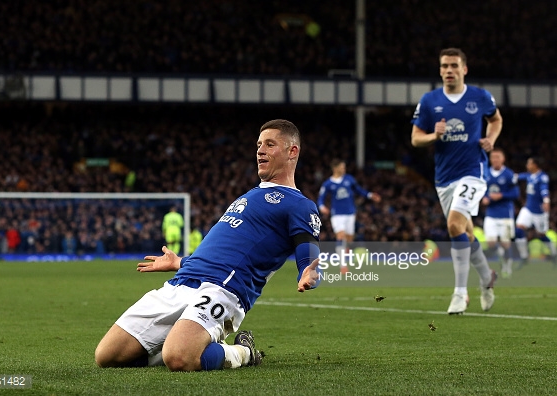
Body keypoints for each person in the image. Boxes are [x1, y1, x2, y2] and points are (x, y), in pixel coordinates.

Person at [95, 119, 322, 371]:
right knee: (107, 356)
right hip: (182, 281)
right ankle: (185, 341)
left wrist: (308, 270)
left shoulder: (299, 204)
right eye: (259, 144)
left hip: (223, 291)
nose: (260, 150)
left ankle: (243, 352)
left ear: (293, 151)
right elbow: (223, 250)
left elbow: (307, 249)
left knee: (179, 359)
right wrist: (180, 262)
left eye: (270, 144)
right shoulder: (248, 195)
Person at [411, 48, 503, 314]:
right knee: (466, 232)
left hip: (473, 171)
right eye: (444, 66)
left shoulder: (480, 96)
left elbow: (496, 119)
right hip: (444, 178)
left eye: (454, 65)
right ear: (440, 70)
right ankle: (487, 278)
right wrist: (433, 136)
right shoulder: (430, 101)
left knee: (453, 225)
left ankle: (460, 294)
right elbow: (415, 138)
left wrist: (491, 139)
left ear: (464, 69)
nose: (449, 70)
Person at [317, 159, 380, 265]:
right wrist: (322, 206)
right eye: (342, 167)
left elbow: (359, 190)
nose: (344, 169)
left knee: (349, 240)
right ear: (335, 168)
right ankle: (343, 265)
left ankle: (345, 252)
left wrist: (370, 195)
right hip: (337, 214)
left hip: (350, 213)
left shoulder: (349, 179)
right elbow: (321, 198)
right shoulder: (328, 183)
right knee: (340, 236)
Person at [480, 148, 519, 278]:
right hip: (491, 213)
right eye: (493, 157)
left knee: (506, 243)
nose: (495, 160)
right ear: (490, 159)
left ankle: (507, 265)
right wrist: (484, 197)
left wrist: (501, 195)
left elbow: (516, 193)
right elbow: (481, 189)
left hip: (505, 214)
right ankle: (502, 254)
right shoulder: (486, 173)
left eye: (498, 157)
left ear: (503, 159)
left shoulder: (509, 174)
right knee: (491, 243)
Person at [514, 157, 556, 266]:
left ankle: (554, 254)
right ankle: (524, 257)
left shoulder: (543, 177)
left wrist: (546, 201)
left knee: (541, 235)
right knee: (518, 230)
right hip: (528, 209)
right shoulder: (529, 176)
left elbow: (544, 190)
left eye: (529, 163)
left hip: (540, 212)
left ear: (535, 165)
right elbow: (516, 176)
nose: (527, 165)